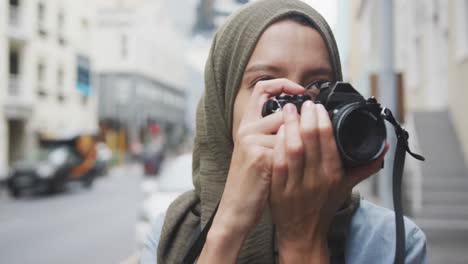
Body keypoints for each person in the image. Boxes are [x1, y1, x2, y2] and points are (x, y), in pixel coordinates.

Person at [140, 0, 427, 263]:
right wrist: (227, 226)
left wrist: (302, 240)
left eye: (317, 86)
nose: (296, 110)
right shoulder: (171, 235)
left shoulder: (392, 244)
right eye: (269, 85)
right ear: (224, 105)